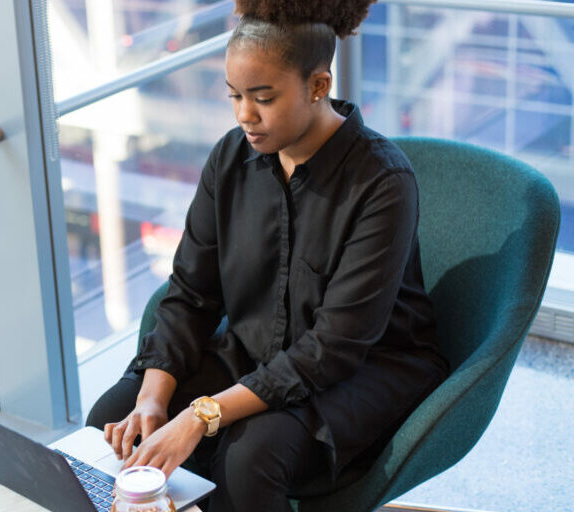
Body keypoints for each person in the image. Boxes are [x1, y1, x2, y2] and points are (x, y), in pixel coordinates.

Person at [85, 2, 451, 511]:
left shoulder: (383, 182)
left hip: (366, 365)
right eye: (235, 96)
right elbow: (191, 294)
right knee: (112, 419)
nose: (244, 116)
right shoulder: (231, 159)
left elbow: (334, 347)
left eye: (263, 98)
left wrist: (200, 415)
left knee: (248, 458)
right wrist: (152, 397)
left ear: (318, 86)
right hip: (256, 348)